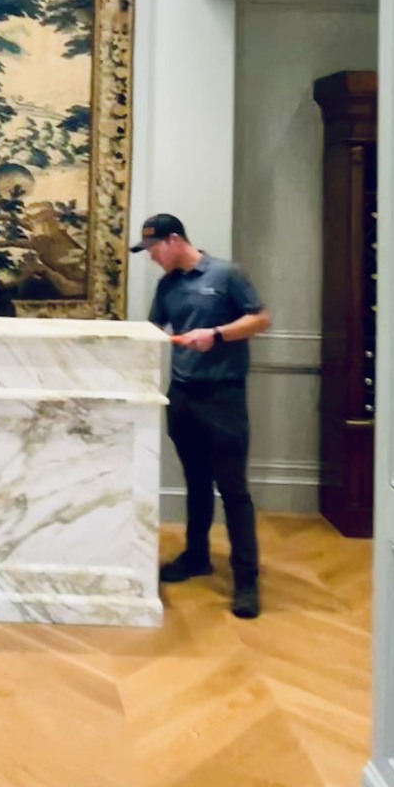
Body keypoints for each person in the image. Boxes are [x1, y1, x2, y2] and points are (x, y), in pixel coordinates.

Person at [133, 213, 270, 619]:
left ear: (175, 240)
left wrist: (217, 334)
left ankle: (246, 580)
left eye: (154, 248)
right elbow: (154, 329)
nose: (152, 257)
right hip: (183, 396)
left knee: (233, 489)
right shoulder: (167, 285)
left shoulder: (226, 275)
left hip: (223, 397)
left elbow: (261, 319)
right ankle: (197, 556)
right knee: (195, 481)